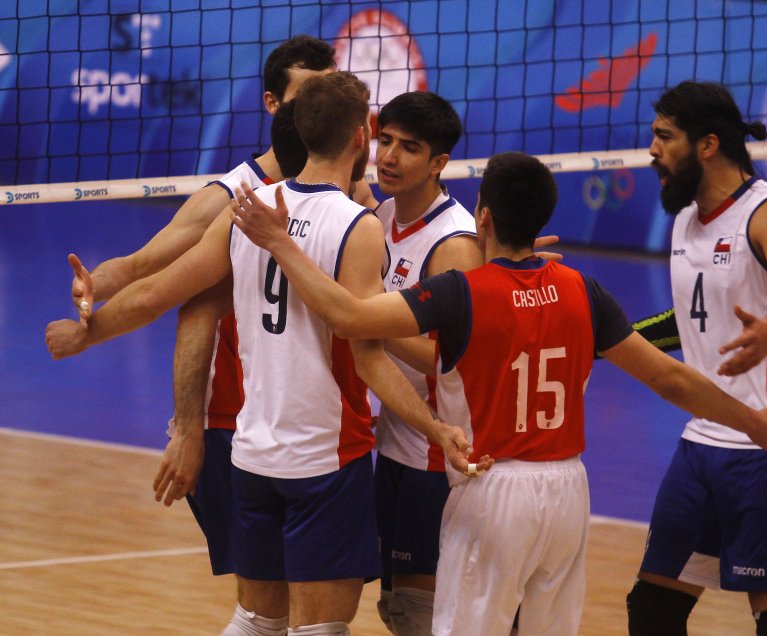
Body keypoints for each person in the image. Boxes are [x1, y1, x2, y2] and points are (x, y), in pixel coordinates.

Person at [226, 150, 767, 636]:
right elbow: (670, 378)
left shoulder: (459, 293)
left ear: (482, 215)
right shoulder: (583, 289)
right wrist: (752, 422)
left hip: (491, 487)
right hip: (569, 493)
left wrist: (281, 242)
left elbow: (348, 317)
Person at [46, 71, 477, 636]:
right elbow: (367, 349)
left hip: (252, 454)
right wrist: (432, 421)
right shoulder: (359, 227)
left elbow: (162, 291)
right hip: (326, 455)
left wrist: (88, 332)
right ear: (360, 138)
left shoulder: (247, 209)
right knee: (321, 629)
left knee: (256, 621)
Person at [54, 35, 347, 636]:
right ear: (273, 105)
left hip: (321, 429)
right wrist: (94, 296)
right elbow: (148, 272)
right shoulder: (233, 199)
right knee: (276, 613)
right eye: (307, 95)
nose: (324, 106)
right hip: (240, 428)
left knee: (303, 612)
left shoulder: (353, 193)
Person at [625, 81, 767, 636]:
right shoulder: (685, 220)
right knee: (651, 611)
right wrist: (610, 339)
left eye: (664, 136)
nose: (651, 149)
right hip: (706, 437)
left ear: (706, 145)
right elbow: (693, 322)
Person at [365, 91, 482, 635]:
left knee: (421, 611)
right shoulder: (377, 214)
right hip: (393, 441)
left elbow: (455, 359)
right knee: (395, 605)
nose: (388, 157)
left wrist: (368, 320)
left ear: (439, 163)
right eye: (384, 140)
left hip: (435, 454)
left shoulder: (453, 243)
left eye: (408, 148)